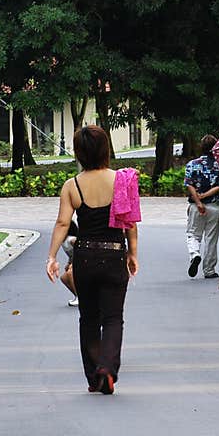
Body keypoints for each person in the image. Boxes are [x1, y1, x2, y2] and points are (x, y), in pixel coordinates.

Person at [46, 125, 139, 395]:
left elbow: (63, 222)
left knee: (88, 319)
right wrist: (133, 253)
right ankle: (108, 368)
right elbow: (130, 222)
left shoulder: (72, 185)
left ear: (79, 152)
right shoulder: (123, 180)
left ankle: (94, 375)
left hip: (84, 256)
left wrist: (52, 256)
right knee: (112, 318)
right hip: (113, 254)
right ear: (105, 149)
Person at [184, 134, 219, 279]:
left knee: (193, 234)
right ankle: (209, 270)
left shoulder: (192, 164)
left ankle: (195, 254)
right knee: (211, 238)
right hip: (214, 206)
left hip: (196, 207)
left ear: (201, 147)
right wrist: (206, 196)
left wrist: (198, 201)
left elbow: (189, 184)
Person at [60, 220, 79, 307]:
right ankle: (77, 295)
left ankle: (79, 297)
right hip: (74, 262)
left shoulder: (71, 239)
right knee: (64, 278)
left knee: (70, 274)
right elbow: (71, 254)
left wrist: (73, 263)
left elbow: (79, 250)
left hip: (82, 261)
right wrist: (69, 262)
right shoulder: (62, 241)